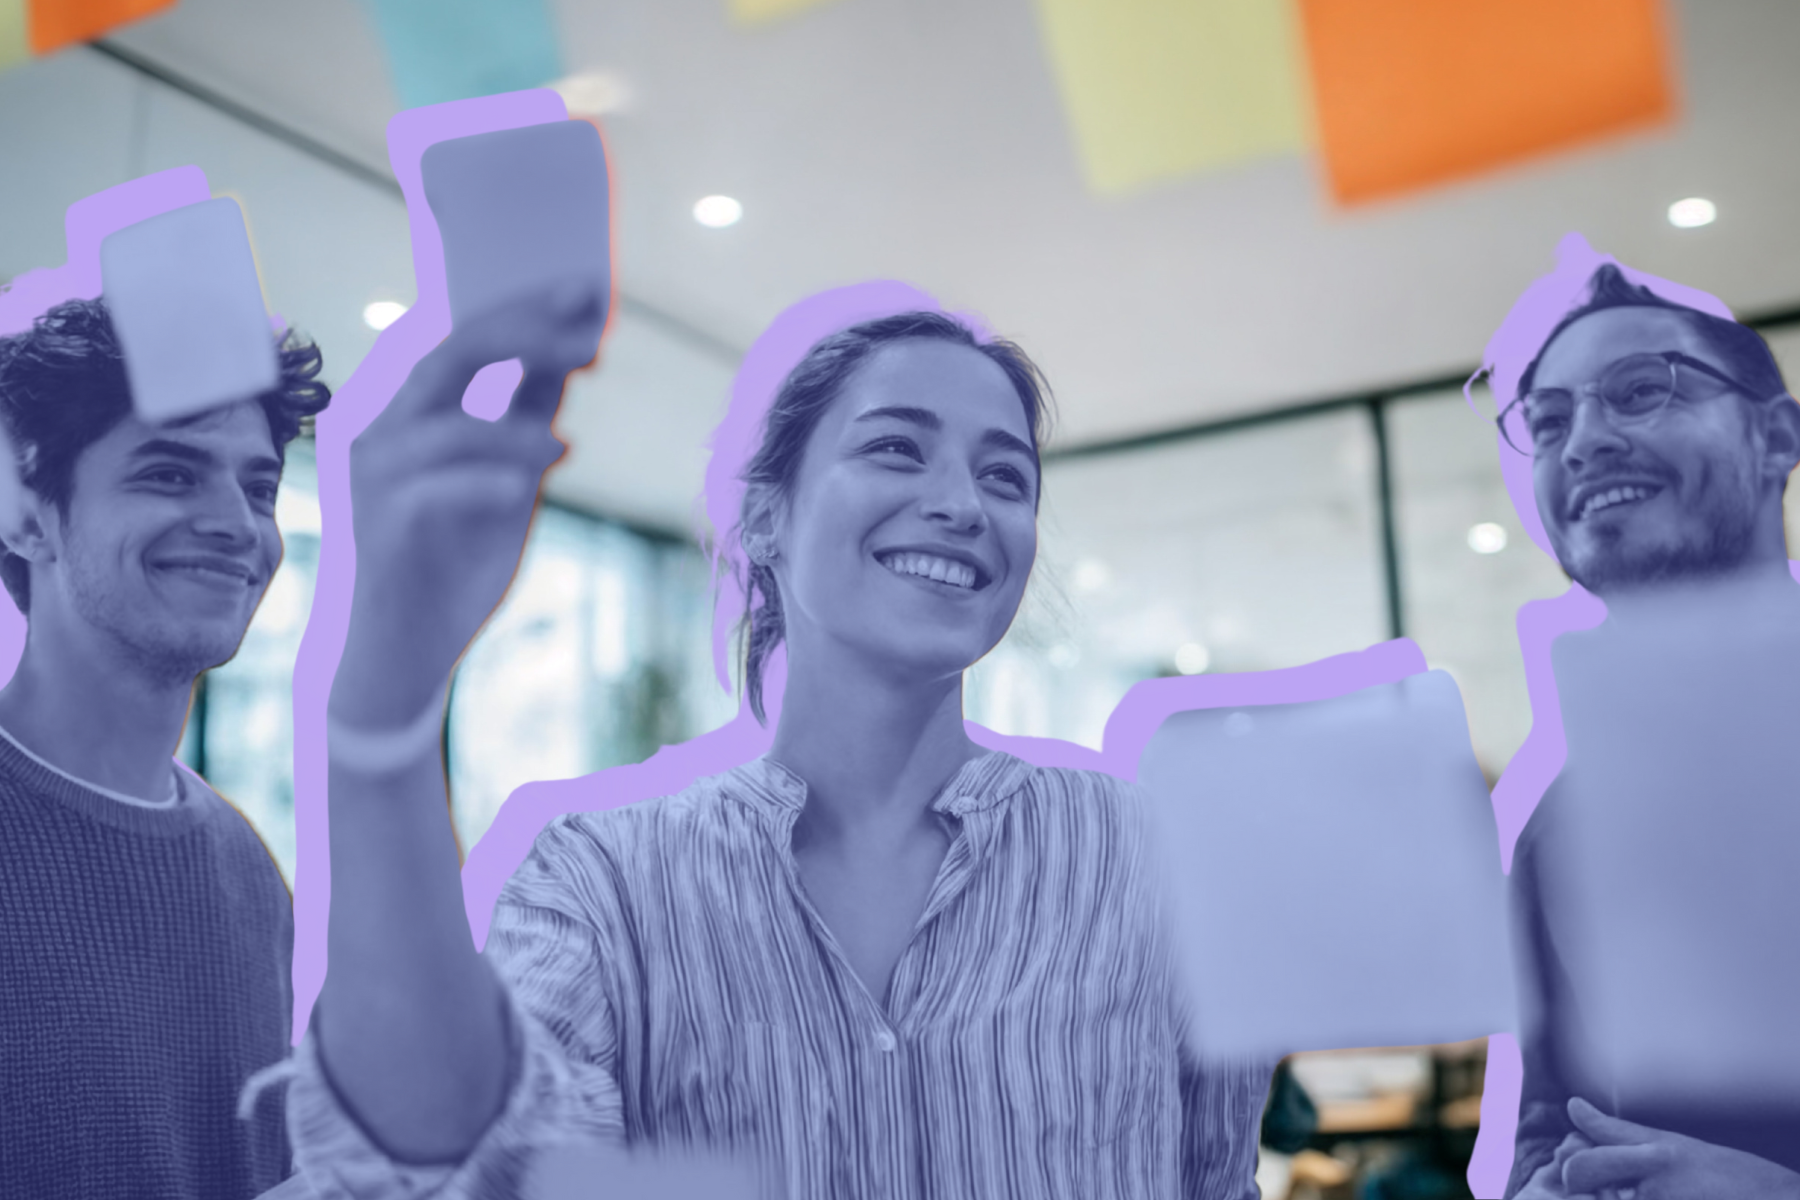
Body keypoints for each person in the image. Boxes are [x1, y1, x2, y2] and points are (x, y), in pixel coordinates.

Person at [283, 284, 1271, 1198]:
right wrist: (383, 702)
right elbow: (471, 1167)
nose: (964, 505)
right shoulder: (607, 883)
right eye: (895, 448)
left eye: (1005, 476)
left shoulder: (1158, 864)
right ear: (766, 517)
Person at [0, 296, 332, 1199]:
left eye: (258, 488)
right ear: (28, 517)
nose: (238, 523)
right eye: (171, 474)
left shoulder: (247, 869)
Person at [1492, 263, 1800, 1199]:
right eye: (1548, 423)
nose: (1583, 443)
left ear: (1775, 436)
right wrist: (1548, 1185)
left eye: (1640, 392)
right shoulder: (1563, 818)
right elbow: (1543, 1122)